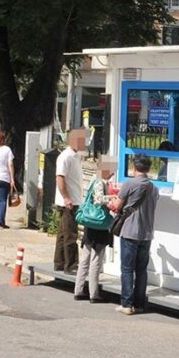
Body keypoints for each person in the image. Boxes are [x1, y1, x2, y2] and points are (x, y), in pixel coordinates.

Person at [109, 154, 160, 315]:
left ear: (134, 168)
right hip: (146, 234)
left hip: (130, 232)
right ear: (149, 169)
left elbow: (117, 205)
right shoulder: (154, 188)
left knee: (126, 269)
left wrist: (110, 203)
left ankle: (126, 304)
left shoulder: (129, 184)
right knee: (141, 270)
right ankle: (139, 303)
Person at [74, 158, 115, 303]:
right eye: (111, 171)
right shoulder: (99, 183)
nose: (112, 174)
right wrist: (114, 197)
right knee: (96, 259)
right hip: (99, 223)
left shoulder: (92, 180)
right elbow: (99, 200)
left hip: (89, 223)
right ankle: (93, 293)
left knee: (85, 257)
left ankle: (78, 290)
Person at [53, 129, 86, 273]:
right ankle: (71, 265)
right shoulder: (65, 157)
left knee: (63, 233)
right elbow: (60, 178)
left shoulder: (76, 156)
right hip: (68, 201)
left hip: (74, 199)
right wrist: (66, 197)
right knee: (70, 234)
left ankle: (59, 262)